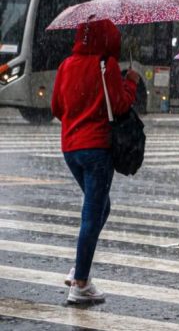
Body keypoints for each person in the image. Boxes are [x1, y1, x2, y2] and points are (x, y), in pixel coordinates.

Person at [51, 19, 139, 303]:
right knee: (92, 215)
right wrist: (131, 82)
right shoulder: (106, 63)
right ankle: (80, 284)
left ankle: (80, 265)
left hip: (70, 149)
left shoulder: (66, 65)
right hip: (97, 149)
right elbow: (121, 104)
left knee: (102, 207)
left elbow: (56, 107)